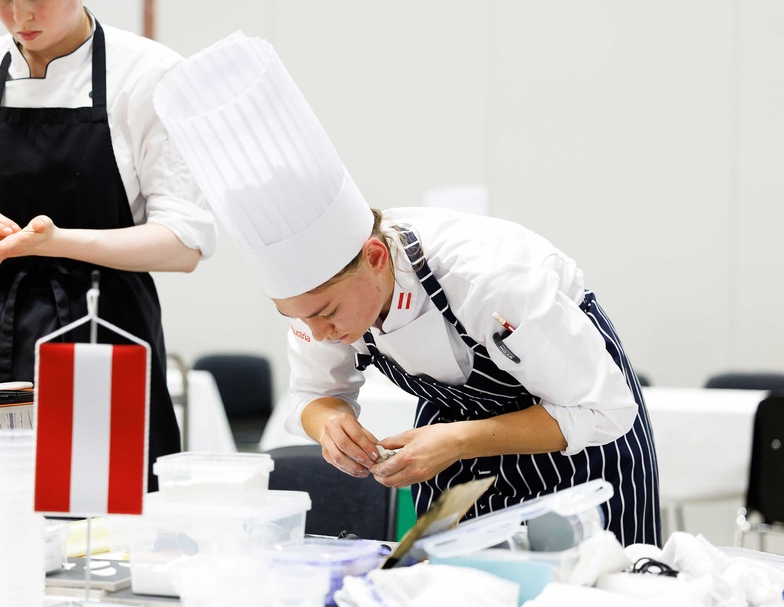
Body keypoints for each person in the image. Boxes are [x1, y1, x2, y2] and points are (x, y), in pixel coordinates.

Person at [155, 32, 661, 546]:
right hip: (458, 473)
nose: (319, 334)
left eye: (326, 313)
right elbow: (314, 393)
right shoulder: (317, 306)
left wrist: (459, 439)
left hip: (580, 465)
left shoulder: (488, 277)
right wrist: (329, 424)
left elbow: (603, 410)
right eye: (297, 317)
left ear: (376, 259)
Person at [0, 1, 217, 490]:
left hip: (105, 336)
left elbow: (183, 243)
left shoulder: (151, 72)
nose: (21, 14)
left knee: (105, 524)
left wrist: (57, 242)